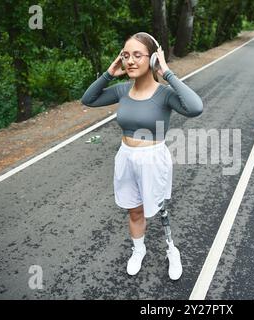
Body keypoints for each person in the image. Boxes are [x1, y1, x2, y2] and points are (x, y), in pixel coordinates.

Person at [81, 32, 203, 280]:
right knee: (134, 211)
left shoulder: (165, 94)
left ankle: (172, 250)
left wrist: (167, 72)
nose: (130, 61)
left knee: (159, 209)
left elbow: (195, 107)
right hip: (125, 156)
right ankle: (139, 249)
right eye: (125, 56)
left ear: (153, 59)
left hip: (153, 157)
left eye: (138, 55)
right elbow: (88, 99)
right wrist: (108, 73)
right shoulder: (122, 90)